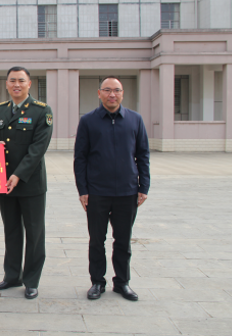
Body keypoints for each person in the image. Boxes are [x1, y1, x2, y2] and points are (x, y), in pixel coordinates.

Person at [74, 76, 150, 302]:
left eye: (116, 90)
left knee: (123, 240)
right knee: (97, 240)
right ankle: (97, 282)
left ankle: (122, 282)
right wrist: (83, 189)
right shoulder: (88, 121)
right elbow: (80, 158)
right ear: (99, 94)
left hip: (127, 192)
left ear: (122, 93)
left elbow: (143, 154)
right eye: (107, 90)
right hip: (97, 192)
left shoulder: (135, 120)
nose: (112, 94)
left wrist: (143, 185)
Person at [0, 66, 54, 300]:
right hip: (3, 181)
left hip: (30, 184)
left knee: (34, 233)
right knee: (12, 230)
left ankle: (31, 280)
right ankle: (12, 276)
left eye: (21, 80)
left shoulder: (41, 111)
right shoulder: (1, 110)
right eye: (12, 80)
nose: (16, 84)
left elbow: (38, 149)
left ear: (29, 84)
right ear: (6, 84)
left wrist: (18, 174)